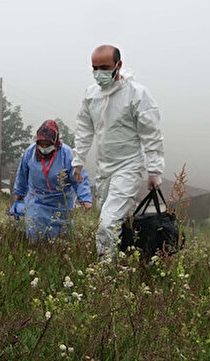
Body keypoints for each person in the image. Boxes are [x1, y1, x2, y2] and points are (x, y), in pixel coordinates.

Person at [71, 45, 165, 257]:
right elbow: (85, 128)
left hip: (129, 166)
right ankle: (131, 259)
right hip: (104, 169)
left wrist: (154, 171)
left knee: (108, 222)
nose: (99, 73)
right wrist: (78, 161)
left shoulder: (136, 94)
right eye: (94, 68)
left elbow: (151, 134)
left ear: (118, 65)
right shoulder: (92, 94)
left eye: (104, 67)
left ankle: (104, 272)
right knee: (114, 220)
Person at [13, 120, 92, 241]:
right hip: (37, 200)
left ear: (55, 142)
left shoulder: (67, 154)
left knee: (61, 238)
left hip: (60, 202)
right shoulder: (30, 152)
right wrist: (19, 194)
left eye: (47, 144)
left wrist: (84, 198)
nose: (44, 147)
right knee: (35, 234)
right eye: (41, 144)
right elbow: (22, 173)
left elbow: (79, 177)